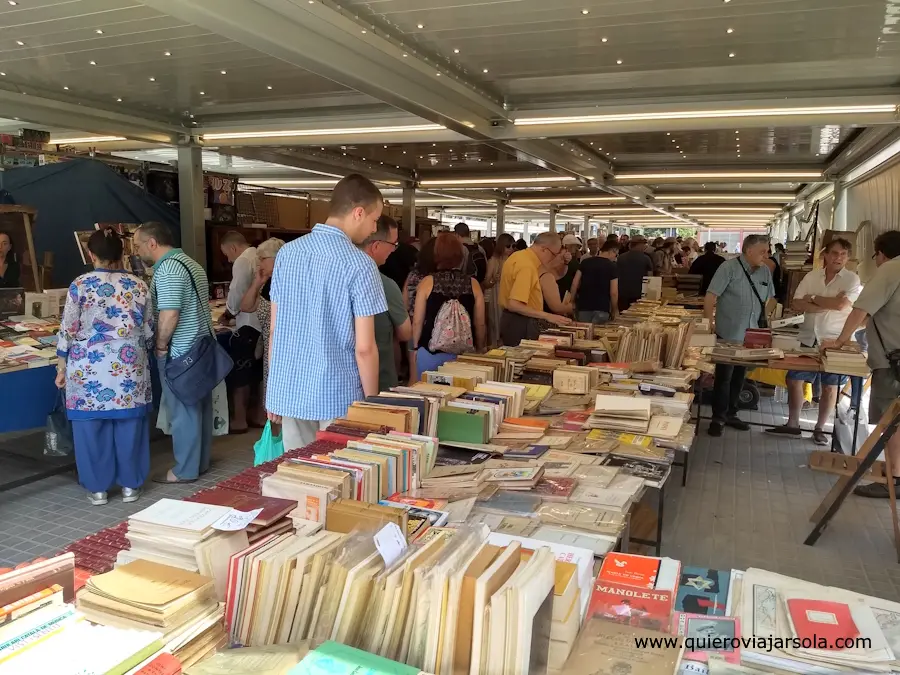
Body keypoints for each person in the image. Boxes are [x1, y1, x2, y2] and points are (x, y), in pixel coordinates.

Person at [265, 174, 386, 450]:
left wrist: (273, 392)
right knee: (340, 480)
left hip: (291, 391)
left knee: (298, 476)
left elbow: (275, 330)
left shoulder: (287, 254)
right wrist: (372, 405)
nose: (373, 228)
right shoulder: (360, 265)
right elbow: (365, 348)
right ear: (358, 213)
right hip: (338, 393)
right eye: (374, 219)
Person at [55, 229, 153, 505]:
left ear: (91, 254)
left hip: (88, 369)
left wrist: (61, 367)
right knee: (130, 425)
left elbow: (69, 329)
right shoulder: (139, 285)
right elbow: (148, 328)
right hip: (128, 366)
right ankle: (130, 487)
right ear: (122, 254)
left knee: (90, 428)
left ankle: (97, 489)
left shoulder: (80, 285)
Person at [134, 221, 215, 483]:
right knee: (199, 407)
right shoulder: (190, 263)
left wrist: (160, 345)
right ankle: (199, 463)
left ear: (152, 243)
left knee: (184, 412)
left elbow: (170, 313)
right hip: (201, 347)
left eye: (138, 245)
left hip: (181, 352)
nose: (136, 252)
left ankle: (185, 470)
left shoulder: (167, 269)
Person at [824, 231, 900, 498]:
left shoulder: (890, 269)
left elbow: (861, 310)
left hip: (893, 364)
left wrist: (840, 341)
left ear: (880, 254)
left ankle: (894, 479)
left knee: (891, 421)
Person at [767, 238, 861, 444]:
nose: (839, 258)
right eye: (835, 253)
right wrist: (828, 302)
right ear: (825, 255)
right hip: (809, 336)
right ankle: (793, 424)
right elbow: (797, 302)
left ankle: (820, 429)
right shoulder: (812, 276)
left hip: (836, 340)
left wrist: (814, 298)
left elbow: (841, 305)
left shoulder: (852, 280)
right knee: (794, 379)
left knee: (830, 386)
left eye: (843, 254)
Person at [704, 234, 774, 437]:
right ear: (749, 250)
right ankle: (718, 417)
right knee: (724, 376)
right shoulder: (729, 268)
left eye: (767, 251)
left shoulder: (765, 272)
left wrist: (766, 318)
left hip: (751, 335)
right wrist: (709, 324)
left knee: (739, 376)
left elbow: (771, 298)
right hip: (728, 333)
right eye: (763, 251)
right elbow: (711, 297)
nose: (766, 255)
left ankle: (732, 413)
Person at [411, 232, 486, 379]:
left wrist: (413, 349)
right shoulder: (473, 284)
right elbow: (480, 323)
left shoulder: (427, 282)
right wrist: (480, 348)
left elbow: (417, 322)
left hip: (429, 352)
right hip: (463, 355)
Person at [218, 231, 264, 434]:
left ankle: (239, 419)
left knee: (241, 374)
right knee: (259, 373)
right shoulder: (259, 256)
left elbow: (236, 294)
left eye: (227, 254)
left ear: (233, 248)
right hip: (263, 324)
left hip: (247, 326)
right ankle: (258, 414)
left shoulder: (242, 261)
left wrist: (227, 314)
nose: (228, 259)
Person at [363, 215, 412, 391]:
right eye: (393, 244)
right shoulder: (384, 284)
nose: (394, 250)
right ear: (376, 246)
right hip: (379, 380)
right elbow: (406, 333)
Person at [498, 232, 572, 345]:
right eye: (554, 254)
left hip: (513, 320)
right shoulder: (527, 266)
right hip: (521, 322)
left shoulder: (519, 256)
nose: (554, 258)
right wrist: (548, 316)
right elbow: (514, 304)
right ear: (544, 249)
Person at [238, 237, 285, 405]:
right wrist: (257, 283)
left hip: (283, 351)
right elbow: (246, 306)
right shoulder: (266, 285)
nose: (259, 263)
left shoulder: (288, 283)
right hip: (269, 349)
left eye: (263, 259)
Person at [570, 239, 619, 324]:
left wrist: (571, 302)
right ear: (612, 251)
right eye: (616, 254)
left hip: (583, 307)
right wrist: (614, 310)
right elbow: (614, 292)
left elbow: (575, 284)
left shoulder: (585, 262)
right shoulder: (612, 266)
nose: (615, 257)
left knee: (583, 334)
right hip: (602, 308)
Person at [483, 232, 515, 347]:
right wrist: (493, 280)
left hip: (508, 295)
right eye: (508, 246)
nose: (511, 249)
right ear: (501, 246)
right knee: (495, 322)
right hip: (494, 295)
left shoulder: (512, 261)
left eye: (512, 246)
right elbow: (486, 282)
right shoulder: (493, 261)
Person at [617, 236, 654, 311]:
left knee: (622, 316)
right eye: (644, 244)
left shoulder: (621, 257)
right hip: (640, 293)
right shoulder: (646, 258)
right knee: (638, 316)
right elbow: (650, 277)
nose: (645, 246)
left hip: (622, 293)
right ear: (639, 245)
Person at [540, 250, 575, 323]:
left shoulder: (570, 269)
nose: (564, 261)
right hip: (547, 322)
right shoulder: (546, 276)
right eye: (561, 257)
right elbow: (556, 308)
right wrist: (574, 307)